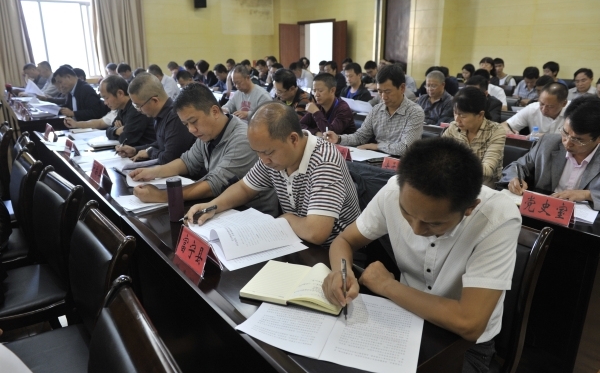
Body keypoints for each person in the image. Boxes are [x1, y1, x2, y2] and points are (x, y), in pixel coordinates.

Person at [321, 137, 521, 373]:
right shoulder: (394, 192)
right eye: (406, 213)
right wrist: (341, 272)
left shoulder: (497, 218)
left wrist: (387, 286)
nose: (416, 229)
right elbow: (344, 241)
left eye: (434, 223)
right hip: (402, 318)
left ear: (469, 207)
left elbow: (469, 323)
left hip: (462, 348)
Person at [185, 101, 361, 247]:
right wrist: (212, 206)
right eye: (258, 152)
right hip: (298, 240)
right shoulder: (273, 157)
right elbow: (245, 188)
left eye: (267, 152)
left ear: (293, 139)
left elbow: (316, 232)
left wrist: (286, 219)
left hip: (339, 250)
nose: (263, 160)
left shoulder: (324, 160)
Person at [129, 84, 278, 216]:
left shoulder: (242, 139)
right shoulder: (208, 133)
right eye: (186, 124)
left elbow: (213, 185)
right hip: (225, 207)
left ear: (215, 111)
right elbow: (187, 162)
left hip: (253, 214)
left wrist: (164, 196)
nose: (191, 130)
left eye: (193, 122)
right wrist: (153, 172)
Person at [501, 95, 600, 209]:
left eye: (578, 140)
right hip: (542, 209)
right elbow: (518, 166)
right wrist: (514, 178)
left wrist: (588, 195)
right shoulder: (548, 143)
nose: (567, 143)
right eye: (565, 133)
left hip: (583, 217)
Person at [324, 64, 424, 156]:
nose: (383, 97)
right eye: (380, 92)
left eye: (388, 92)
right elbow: (360, 136)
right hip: (376, 159)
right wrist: (338, 138)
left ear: (402, 88)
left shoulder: (414, 112)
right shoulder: (376, 110)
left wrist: (377, 146)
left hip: (401, 163)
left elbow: (406, 147)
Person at [115, 73, 195, 164]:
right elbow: (161, 144)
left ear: (154, 100)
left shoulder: (176, 117)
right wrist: (135, 150)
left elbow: (169, 158)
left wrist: (150, 152)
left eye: (139, 106)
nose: (138, 110)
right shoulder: (160, 115)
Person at [443, 88, 506, 187]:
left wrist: (452, 164)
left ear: (480, 115)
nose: (457, 119)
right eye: (455, 113)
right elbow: (438, 154)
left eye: (462, 116)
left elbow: (487, 170)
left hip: (484, 185)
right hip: (455, 182)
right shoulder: (453, 128)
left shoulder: (496, 131)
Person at [100, 75, 156, 145]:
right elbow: (108, 130)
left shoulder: (136, 108)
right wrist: (116, 131)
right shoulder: (122, 109)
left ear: (120, 93)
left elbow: (126, 140)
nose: (105, 103)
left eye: (106, 98)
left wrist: (120, 132)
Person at [502, 82, 569, 136]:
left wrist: (545, 137)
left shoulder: (573, 111)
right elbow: (504, 125)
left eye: (550, 106)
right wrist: (508, 131)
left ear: (564, 103)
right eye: (542, 104)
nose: (544, 109)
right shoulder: (532, 108)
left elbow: (574, 139)